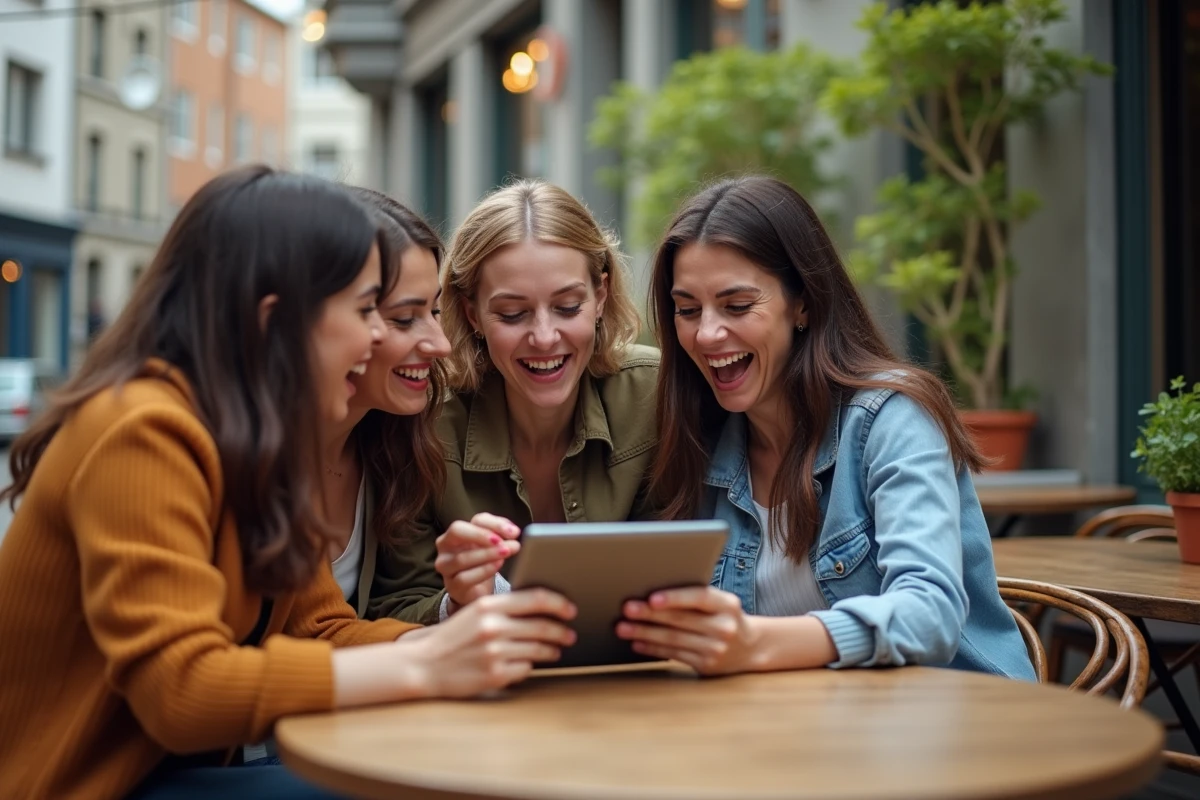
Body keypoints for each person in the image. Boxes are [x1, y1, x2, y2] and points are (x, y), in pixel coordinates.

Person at [0, 167, 576, 799]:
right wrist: (430, 661)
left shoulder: (254, 438)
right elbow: (181, 691)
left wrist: (467, 640)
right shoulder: (143, 429)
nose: (373, 338)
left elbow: (320, 628)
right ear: (277, 321)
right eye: (364, 311)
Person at [615, 176, 1034, 680]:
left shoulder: (892, 419)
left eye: (738, 306)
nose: (706, 333)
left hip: (962, 729)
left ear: (804, 304)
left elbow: (931, 615)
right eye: (687, 310)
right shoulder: (702, 445)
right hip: (811, 733)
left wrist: (756, 644)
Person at [369, 179, 658, 625]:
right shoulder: (421, 423)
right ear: (471, 314)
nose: (544, 337)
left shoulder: (652, 394)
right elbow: (392, 604)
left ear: (599, 297)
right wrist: (458, 603)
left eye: (567, 307)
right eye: (512, 314)